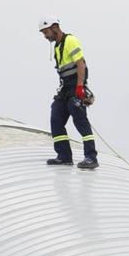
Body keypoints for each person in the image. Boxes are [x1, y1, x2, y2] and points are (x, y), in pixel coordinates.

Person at [39, 19, 98, 170]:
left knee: (80, 122)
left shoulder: (70, 40)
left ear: (55, 27)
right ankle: (64, 156)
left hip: (75, 87)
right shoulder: (58, 47)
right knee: (56, 119)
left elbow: (80, 64)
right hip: (65, 88)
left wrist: (80, 87)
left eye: (46, 32)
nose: (45, 36)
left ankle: (91, 158)